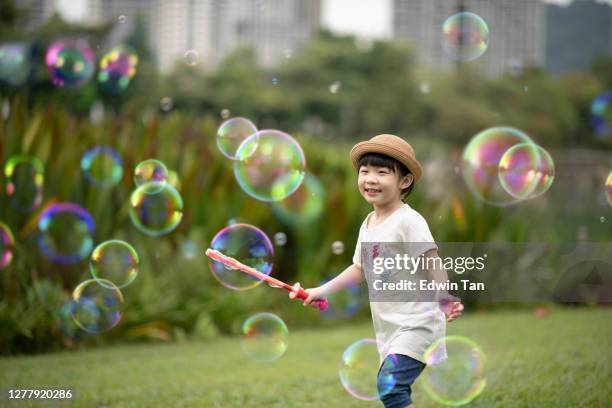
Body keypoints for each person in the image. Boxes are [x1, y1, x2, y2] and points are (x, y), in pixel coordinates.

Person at [291, 134, 464, 408]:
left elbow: (433, 260)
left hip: (418, 322)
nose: (370, 179)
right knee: (392, 389)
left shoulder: (408, 221)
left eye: (382, 172)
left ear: (404, 181)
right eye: (365, 171)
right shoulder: (368, 223)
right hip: (391, 326)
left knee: (391, 389)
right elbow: (360, 268)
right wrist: (320, 290)